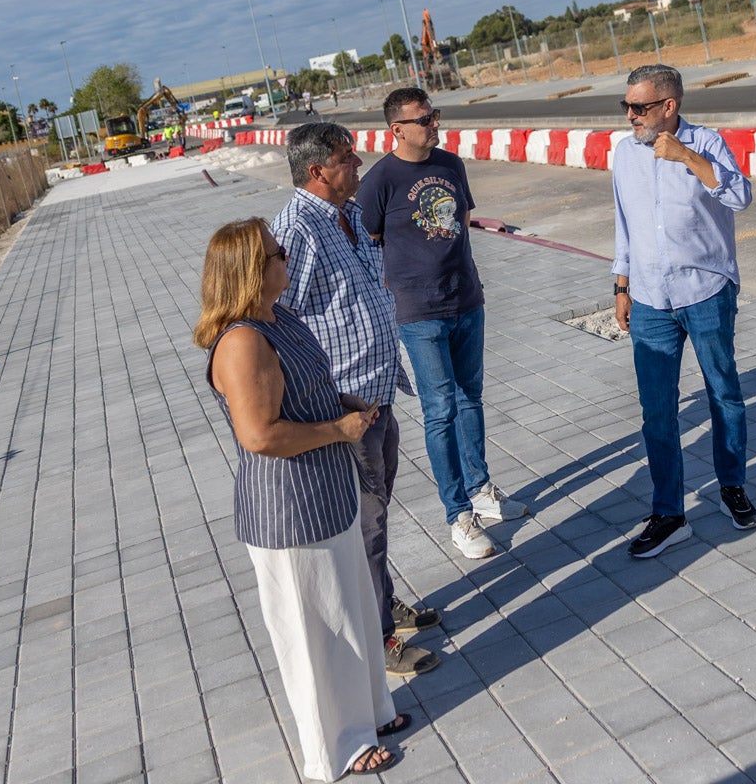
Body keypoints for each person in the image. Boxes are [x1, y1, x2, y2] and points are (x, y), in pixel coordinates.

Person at [194, 218, 406, 779]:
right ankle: (334, 748)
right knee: (314, 633)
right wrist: (340, 429)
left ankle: (369, 713)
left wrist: (343, 401)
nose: (285, 257)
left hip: (325, 491)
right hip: (291, 509)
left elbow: (304, 388)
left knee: (352, 611)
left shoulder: (277, 317)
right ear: (250, 270)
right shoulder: (242, 342)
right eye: (275, 252)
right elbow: (260, 435)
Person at [275, 123, 441, 677]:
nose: (360, 162)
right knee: (364, 522)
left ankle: (380, 601)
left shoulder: (344, 216)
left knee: (376, 514)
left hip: (375, 394)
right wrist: (329, 400)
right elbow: (282, 322)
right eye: (349, 158)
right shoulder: (297, 231)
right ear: (317, 170)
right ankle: (379, 640)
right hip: (343, 407)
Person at [358, 89, 527, 562]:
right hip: (418, 312)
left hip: (467, 301)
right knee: (440, 411)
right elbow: (368, 242)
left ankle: (481, 490)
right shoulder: (380, 181)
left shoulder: (451, 164)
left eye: (435, 115)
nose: (435, 123)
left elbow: (462, 223)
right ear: (397, 130)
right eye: (425, 118)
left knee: (471, 398)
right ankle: (458, 515)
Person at [610, 64, 756, 559]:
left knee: (724, 394)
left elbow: (739, 194)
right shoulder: (623, 152)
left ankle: (732, 486)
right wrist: (621, 283)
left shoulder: (707, 142)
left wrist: (686, 156)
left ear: (669, 106)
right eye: (626, 105)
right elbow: (623, 221)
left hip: (706, 289)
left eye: (640, 107)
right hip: (650, 297)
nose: (630, 115)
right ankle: (670, 513)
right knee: (657, 412)